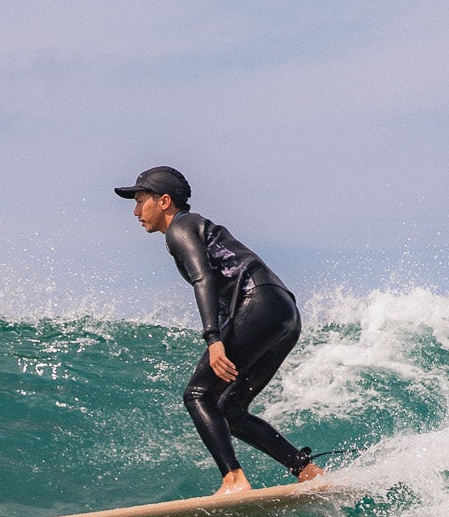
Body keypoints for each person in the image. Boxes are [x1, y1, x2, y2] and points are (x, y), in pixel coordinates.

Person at [115, 166, 326, 496]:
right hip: (284, 311)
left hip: (259, 303)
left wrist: (214, 339)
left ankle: (233, 479)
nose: (135, 211)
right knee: (230, 409)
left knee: (197, 395)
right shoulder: (198, 226)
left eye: (141, 201)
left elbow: (204, 279)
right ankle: (307, 471)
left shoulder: (180, 228)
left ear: (164, 201)